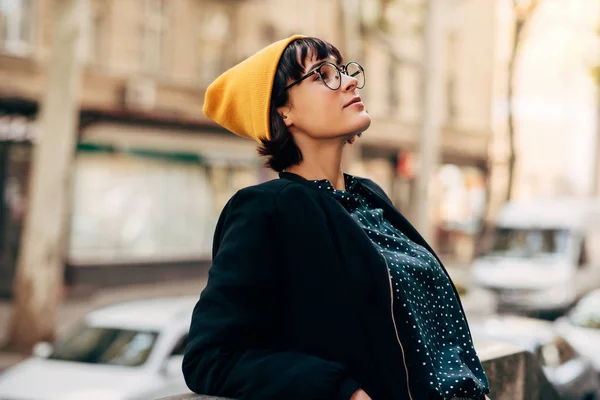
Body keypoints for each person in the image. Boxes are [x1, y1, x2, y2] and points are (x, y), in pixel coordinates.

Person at [183, 35, 491, 400]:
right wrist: (341, 390)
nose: (347, 81)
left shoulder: (368, 197)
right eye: (321, 74)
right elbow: (210, 357)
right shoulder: (268, 208)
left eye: (344, 70)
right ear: (283, 111)